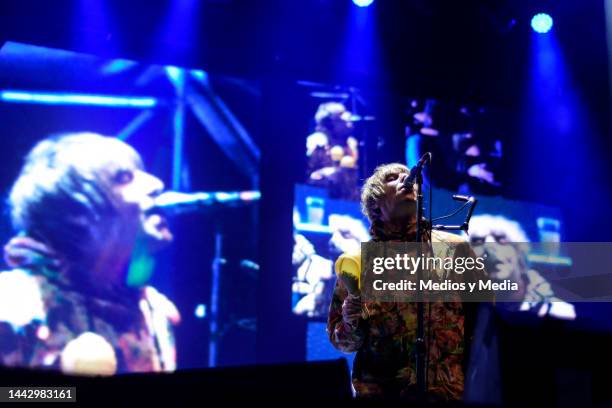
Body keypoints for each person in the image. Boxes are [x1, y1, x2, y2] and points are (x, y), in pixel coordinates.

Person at [0, 133, 180, 375]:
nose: (156, 183)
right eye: (123, 178)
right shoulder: (13, 304)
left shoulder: (154, 311)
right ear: (76, 214)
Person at [327, 163, 489, 401]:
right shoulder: (358, 261)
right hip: (382, 396)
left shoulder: (456, 250)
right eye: (393, 178)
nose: (406, 178)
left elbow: (483, 319)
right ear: (376, 205)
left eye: (407, 176)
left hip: (448, 394)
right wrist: (351, 323)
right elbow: (343, 342)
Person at [306, 102, 359, 200]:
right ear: (329, 123)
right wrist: (329, 173)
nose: (348, 121)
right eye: (341, 117)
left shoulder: (350, 144)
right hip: (319, 200)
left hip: (347, 204)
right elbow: (307, 177)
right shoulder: (317, 142)